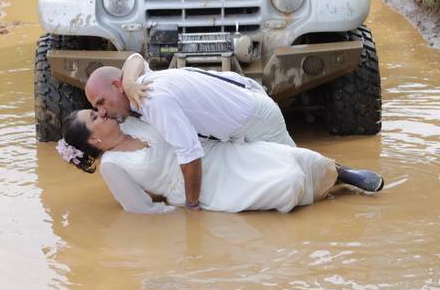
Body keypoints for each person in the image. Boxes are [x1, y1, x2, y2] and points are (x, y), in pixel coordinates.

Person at [57, 109, 385, 215]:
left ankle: (343, 174)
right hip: (203, 186)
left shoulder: (134, 119)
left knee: (294, 157)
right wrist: (187, 213)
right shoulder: (113, 166)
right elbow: (141, 211)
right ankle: (328, 193)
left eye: (96, 109)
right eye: (94, 117)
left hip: (215, 155)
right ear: (95, 140)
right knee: (286, 183)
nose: (101, 112)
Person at [84, 54, 301, 211]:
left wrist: (192, 204)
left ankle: (335, 178)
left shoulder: (150, 100)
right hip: (243, 107)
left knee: (299, 166)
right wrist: (130, 81)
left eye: (101, 102)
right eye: (96, 108)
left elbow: (190, 155)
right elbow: (135, 57)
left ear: (117, 85)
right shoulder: (140, 85)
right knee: (293, 169)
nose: (102, 112)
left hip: (255, 119)